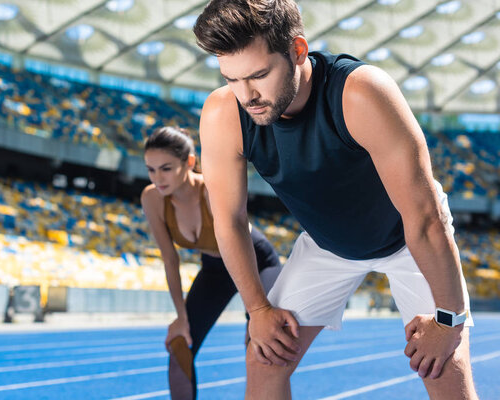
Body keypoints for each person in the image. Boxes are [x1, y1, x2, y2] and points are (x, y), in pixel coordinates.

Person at [192, 1, 477, 399]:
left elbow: (425, 219)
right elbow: (229, 221)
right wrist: (257, 310)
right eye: (232, 79)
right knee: (263, 355)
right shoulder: (224, 113)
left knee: (445, 366)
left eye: (259, 75)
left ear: (298, 51)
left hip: (408, 241)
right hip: (326, 247)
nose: (247, 95)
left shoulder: (360, 93)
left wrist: (448, 322)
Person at [140, 126, 282, 399]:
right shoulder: (152, 199)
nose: (158, 178)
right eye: (151, 169)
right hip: (216, 269)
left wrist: (257, 313)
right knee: (180, 345)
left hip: (256, 261)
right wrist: (181, 318)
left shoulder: (213, 189)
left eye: (166, 168)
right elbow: (170, 259)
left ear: (189, 162)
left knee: (260, 348)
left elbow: (237, 241)